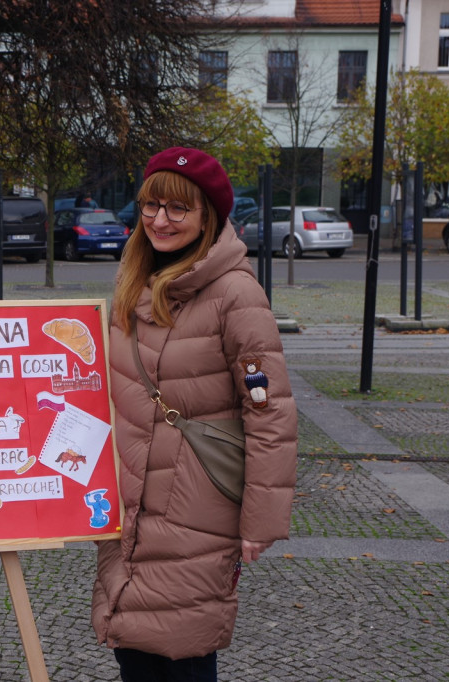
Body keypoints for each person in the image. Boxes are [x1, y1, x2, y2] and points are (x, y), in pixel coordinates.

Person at [92, 147, 297, 681]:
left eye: (178, 209)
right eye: (150, 205)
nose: (160, 220)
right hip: (133, 497)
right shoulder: (134, 282)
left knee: (181, 646)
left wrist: (260, 520)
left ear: (208, 215)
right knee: (134, 643)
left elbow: (269, 411)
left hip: (195, 503)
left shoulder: (236, 294)